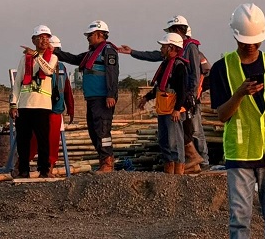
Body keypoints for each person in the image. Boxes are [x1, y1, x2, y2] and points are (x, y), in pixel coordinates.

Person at [207, 3, 265, 239]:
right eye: (245, 41)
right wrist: (239, 93)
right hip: (241, 153)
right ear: (235, 37)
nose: (250, 46)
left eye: (255, 41)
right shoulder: (222, 69)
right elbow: (222, 115)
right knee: (239, 220)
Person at [119, 15, 209, 172]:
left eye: (164, 46)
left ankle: (201, 162)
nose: (162, 49)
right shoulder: (168, 61)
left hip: (184, 100)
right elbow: (158, 73)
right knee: (171, 137)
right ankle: (183, 165)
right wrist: (132, 52)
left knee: (191, 132)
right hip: (168, 105)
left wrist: (189, 100)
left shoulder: (189, 51)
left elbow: (193, 76)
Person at [54, 20, 119, 173]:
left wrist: (111, 94)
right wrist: (55, 52)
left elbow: (112, 73)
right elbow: (74, 58)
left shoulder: (108, 51)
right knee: (93, 130)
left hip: (103, 98)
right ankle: (103, 160)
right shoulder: (91, 54)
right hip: (92, 98)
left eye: (90, 35)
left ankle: (107, 162)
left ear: (100, 34)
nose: (88, 38)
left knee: (102, 130)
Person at [136, 33, 188, 173]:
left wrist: (177, 109)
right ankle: (168, 167)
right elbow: (160, 86)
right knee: (164, 140)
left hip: (173, 111)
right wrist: (147, 98)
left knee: (175, 141)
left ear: (171, 47)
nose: (161, 49)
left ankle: (178, 169)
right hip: (163, 108)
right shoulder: (165, 65)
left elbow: (183, 90)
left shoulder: (179, 66)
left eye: (163, 46)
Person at [11, 25, 58, 178]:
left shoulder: (53, 57)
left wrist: (37, 56)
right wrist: (13, 104)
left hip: (43, 105)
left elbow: (48, 71)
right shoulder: (25, 59)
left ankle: (44, 170)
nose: (44, 40)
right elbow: (18, 82)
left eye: (46, 38)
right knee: (23, 140)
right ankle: (23, 169)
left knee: (43, 140)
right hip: (24, 105)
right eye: (40, 37)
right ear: (34, 40)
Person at [28, 35, 75, 175]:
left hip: (56, 109)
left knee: (53, 140)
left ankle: (49, 166)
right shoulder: (37, 64)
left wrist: (70, 108)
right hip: (40, 107)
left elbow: (67, 89)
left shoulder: (62, 67)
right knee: (34, 138)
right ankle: (24, 162)